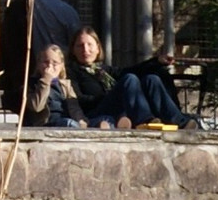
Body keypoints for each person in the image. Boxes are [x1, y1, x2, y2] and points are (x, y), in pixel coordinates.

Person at [66, 26, 201, 129]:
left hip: (120, 108)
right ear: (73, 50)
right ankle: (145, 120)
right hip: (95, 113)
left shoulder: (104, 70)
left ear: (97, 48)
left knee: (150, 79)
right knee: (129, 79)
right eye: (80, 46)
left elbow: (132, 70)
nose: (85, 50)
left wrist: (156, 61)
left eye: (90, 45)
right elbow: (79, 100)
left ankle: (179, 121)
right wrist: (110, 95)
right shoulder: (71, 72)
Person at [0, 0, 84, 114]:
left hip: (23, 80)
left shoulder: (16, 9)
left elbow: (5, 46)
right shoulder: (67, 11)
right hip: (59, 80)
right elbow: (76, 45)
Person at [23, 45, 96, 128]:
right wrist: (46, 81)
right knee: (69, 123)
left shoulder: (65, 85)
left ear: (61, 66)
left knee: (104, 120)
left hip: (66, 120)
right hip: (47, 124)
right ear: (39, 64)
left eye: (55, 63)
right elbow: (36, 106)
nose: (50, 66)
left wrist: (81, 120)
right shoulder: (32, 84)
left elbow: (74, 107)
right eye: (46, 62)